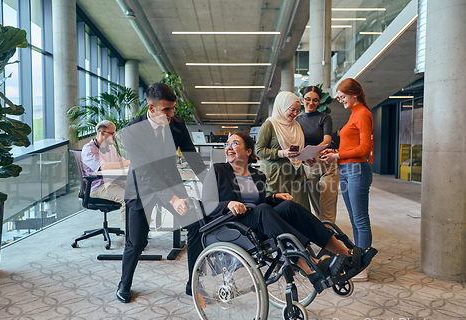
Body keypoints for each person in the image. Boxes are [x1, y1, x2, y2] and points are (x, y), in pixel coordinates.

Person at [203, 131, 377, 291]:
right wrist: (228, 204)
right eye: (227, 144)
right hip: (233, 225)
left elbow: (261, 203)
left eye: (234, 143)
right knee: (264, 210)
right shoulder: (218, 170)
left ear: (248, 151)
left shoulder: (257, 175)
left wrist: (275, 197)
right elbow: (207, 204)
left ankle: (345, 252)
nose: (229, 147)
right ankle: (311, 266)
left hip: (258, 222)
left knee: (288, 206)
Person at [118, 82, 208, 303]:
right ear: (151, 108)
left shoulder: (177, 124)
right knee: (136, 242)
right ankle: (124, 285)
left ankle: (193, 283)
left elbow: (191, 155)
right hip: (142, 190)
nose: (172, 114)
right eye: (166, 109)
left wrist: (210, 182)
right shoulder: (132, 131)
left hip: (171, 183)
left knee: (195, 225)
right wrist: (173, 198)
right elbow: (146, 172)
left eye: (173, 108)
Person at [320, 78, 374, 282]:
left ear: (354, 93)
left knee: (360, 219)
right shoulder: (354, 114)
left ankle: (363, 265)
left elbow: (364, 149)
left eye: (342, 96)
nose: (340, 100)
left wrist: (337, 156)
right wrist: (335, 151)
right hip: (347, 168)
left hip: (357, 169)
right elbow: (352, 147)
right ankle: (358, 259)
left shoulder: (363, 114)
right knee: (354, 218)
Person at [255, 91, 309, 210]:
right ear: (282, 106)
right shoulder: (270, 125)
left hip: (296, 174)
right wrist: (281, 153)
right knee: (278, 210)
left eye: (298, 110)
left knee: (300, 210)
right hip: (276, 177)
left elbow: (297, 150)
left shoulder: (296, 126)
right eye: (292, 110)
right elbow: (258, 150)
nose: (295, 113)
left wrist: (306, 157)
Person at [296, 86, 340, 223]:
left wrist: (313, 152)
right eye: (308, 99)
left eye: (315, 100)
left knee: (327, 209)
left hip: (327, 166)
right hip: (309, 167)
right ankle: (326, 236)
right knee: (318, 208)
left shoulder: (325, 118)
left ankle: (329, 240)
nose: (311, 103)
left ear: (319, 101)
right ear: (302, 100)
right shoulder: (296, 120)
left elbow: (327, 140)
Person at [81, 120, 130, 222]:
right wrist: (126, 163)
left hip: (114, 183)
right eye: (112, 134)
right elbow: (104, 167)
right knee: (127, 199)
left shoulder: (110, 147)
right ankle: (131, 236)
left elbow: (121, 161)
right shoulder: (89, 149)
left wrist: (131, 162)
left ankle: (142, 230)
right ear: (102, 133)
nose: (114, 136)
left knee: (139, 193)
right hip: (98, 187)